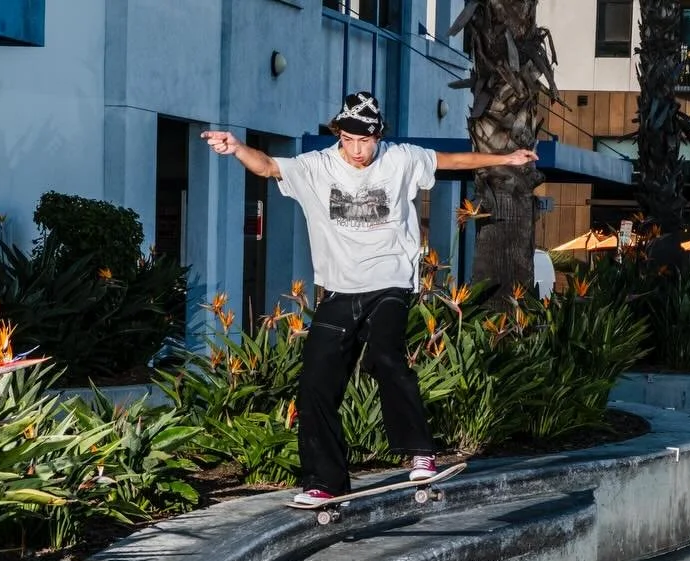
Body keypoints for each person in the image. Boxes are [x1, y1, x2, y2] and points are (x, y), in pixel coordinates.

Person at [202, 91, 537, 505]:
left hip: (390, 283)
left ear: (378, 136)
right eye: (349, 140)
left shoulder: (400, 159)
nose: (358, 151)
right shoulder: (316, 167)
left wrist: (506, 159)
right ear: (338, 135)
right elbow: (269, 166)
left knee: (384, 355)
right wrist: (237, 149)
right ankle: (325, 482)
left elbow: (450, 160)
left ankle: (420, 452)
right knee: (315, 383)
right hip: (340, 290)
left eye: (366, 141)